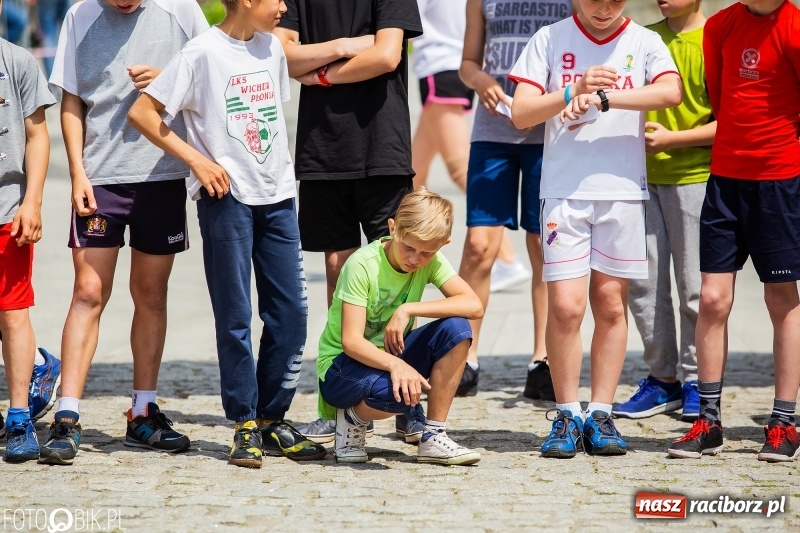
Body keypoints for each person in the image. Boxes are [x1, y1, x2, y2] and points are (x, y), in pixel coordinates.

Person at [129, 0, 328, 468]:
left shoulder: (272, 51)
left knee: (291, 314)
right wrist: (196, 161)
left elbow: (265, 123)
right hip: (226, 201)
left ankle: (272, 420)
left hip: (278, 196)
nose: (283, 6)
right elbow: (143, 113)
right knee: (235, 317)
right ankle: (243, 423)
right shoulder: (200, 53)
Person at [38, 0, 209, 466]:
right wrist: (76, 171)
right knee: (88, 292)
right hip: (99, 178)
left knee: (151, 295)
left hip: (162, 175)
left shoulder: (183, 10)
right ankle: (68, 416)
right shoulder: (79, 15)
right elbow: (71, 100)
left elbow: (211, 79)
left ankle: (142, 411)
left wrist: (169, 80)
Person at [510, 0, 682, 458]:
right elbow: (521, 113)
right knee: (566, 307)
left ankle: (600, 412)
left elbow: (670, 93)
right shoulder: (549, 38)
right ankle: (567, 412)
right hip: (563, 193)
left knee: (610, 303)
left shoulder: (644, 41)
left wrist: (606, 98)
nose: (604, 8)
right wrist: (573, 90)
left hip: (623, 192)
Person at [272, 0, 423, 444]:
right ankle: (338, 404)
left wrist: (320, 72)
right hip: (323, 151)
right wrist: (343, 46)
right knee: (342, 283)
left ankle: (407, 403)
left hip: (384, 149)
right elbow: (281, 56)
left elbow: (386, 55)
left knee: (400, 277)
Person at [669, 0, 800, 463]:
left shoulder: (795, 25)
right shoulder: (721, 26)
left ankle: (784, 422)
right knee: (711, 298)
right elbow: (722, 101)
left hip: (780, 181)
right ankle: (708, 421)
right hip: (724, 180)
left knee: (780, 297)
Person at [455, 0, 575, 398]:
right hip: (492, 134)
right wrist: (481, 82)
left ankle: (543, 359)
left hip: (550, 134)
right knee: (477, 246)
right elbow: (467, 63)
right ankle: (463, 355)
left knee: (544, 244)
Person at [317, 189, 483, 465]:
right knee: (401, 397)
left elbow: (473, 305)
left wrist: (409, 309)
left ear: (443, 244)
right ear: (393, 228)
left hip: (390, 358)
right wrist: (397, 366)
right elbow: (351, 342)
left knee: (458, 329)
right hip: (341, 367)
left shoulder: (430, 259)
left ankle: (433, 436)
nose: (415, 260)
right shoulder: (362, 264)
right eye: (409, 247)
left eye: (426, 253)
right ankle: (350, 419)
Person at [613, 0, 715, 423]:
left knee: (694, 286)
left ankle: (696, 380)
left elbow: (734, 120)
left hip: (695, 177)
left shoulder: (715, 39)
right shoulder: (643, 36)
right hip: (637, 177)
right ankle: (662, 379)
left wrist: (674, 140)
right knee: (643, 285)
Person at [411, 0, 531, 296]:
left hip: (441, 66)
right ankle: (398, 243)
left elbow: (405, 22)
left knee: (459, 167)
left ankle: (506, 258)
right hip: (460, 66)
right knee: (413, 170)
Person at [0, 16, 59, 462]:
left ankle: (19, 417)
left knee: (12, 313)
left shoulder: (17, 60)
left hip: (7, 212)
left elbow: (38, 136)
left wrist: (32, 201)